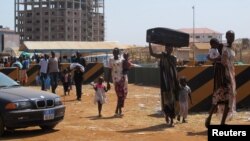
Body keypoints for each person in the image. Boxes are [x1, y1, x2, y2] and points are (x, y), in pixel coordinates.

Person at [205, 30, 236, 127]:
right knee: (217, 100)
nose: (231, 38)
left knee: (227, 101)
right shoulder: (223, 47)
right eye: (229, 36)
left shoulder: (232, 49)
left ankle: (222, 123)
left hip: (230, 77)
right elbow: (220, 60)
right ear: (226, 37)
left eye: (233, 36)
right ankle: (208, 118)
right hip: (222, 77)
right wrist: (212, 59)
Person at [148, 43, 179, 126]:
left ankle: (171, 119)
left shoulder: (174, 58)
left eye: (171, 47)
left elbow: (175, 70)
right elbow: (152, 54)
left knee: (172, 101)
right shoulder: (162, 56)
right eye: (168, 47)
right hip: (165, 82)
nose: (170, 49)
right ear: (166, 48)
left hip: (172, 83)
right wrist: (149, 44)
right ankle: (167, 116)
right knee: (165, 100)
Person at [107, 48, 128, 117]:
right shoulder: (110, 60)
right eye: (114, 52)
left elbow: (126, 69)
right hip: (115, 80)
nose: (115, 53)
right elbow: (109, 71)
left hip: (122, 79)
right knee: (119, 95)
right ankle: (118, 111)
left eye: (116, 52)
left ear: (118, 53)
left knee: (121, 95)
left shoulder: (122, 59)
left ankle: (118, 111)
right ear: (113, 53)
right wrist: (107, 82)